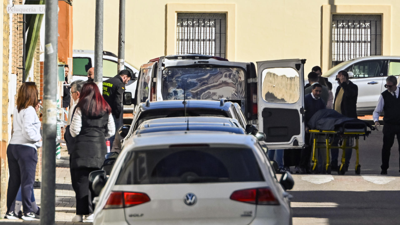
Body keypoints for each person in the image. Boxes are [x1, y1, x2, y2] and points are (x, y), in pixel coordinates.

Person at [70, 82, 115, 222]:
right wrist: (101, 136)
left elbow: (74, 130)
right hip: (99, 150)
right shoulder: (106, 108)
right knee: (96, 181)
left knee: (81, 181)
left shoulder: (80, 108)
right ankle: (93, 213)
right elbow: (112, 131)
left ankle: (80, 214)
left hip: (81, 149)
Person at [5, 82, 41, 220]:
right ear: (32, 95)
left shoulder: (17, 109)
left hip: (13, 146)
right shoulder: (30, 110)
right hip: (26, 148)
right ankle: (28, 212)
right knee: (27, 181)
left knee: (14, 181)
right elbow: (28, 129)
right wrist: (37, 139)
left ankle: (10, 211)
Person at [331, 70, 358, 172]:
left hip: (347, 119)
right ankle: (334, 162)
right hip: (337, 119)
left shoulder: (352, 87)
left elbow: (349, 95)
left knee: (347, 142)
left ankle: (345, 164)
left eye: (339, 78)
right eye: (337, 79)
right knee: (333, 141)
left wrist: (344, 83)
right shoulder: (339, 87)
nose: (338, 81)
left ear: (344, 77)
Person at [373, 76, 400, 175]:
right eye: (386, 86)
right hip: (389, 124)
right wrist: (376, 121)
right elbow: (377, 111)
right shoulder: (384, 95)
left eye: (390, 86)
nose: (388, 88)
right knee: (386, 147)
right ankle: (384, 167)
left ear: (395, 85)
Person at [299, 84, 326, 173]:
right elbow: (302, 114)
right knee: (305, 147)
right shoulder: (306, 100)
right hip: (306, 127)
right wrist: (305, 125)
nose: (318, 93)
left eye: (319, 91)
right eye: (316, 91)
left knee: (313, 147)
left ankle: (311, 166)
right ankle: (303, 166)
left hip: (316, 127)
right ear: (312, 90)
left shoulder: (321, 102)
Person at [103, 70, 133, 148]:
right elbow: (118, 101)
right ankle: (108, 149)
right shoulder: (120, 84)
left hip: (103, 110)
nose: (126, 82)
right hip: (112, 111)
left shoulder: (106, 82)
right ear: (125, 77)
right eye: (128, 80)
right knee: (112, 132)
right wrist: (118, 113)